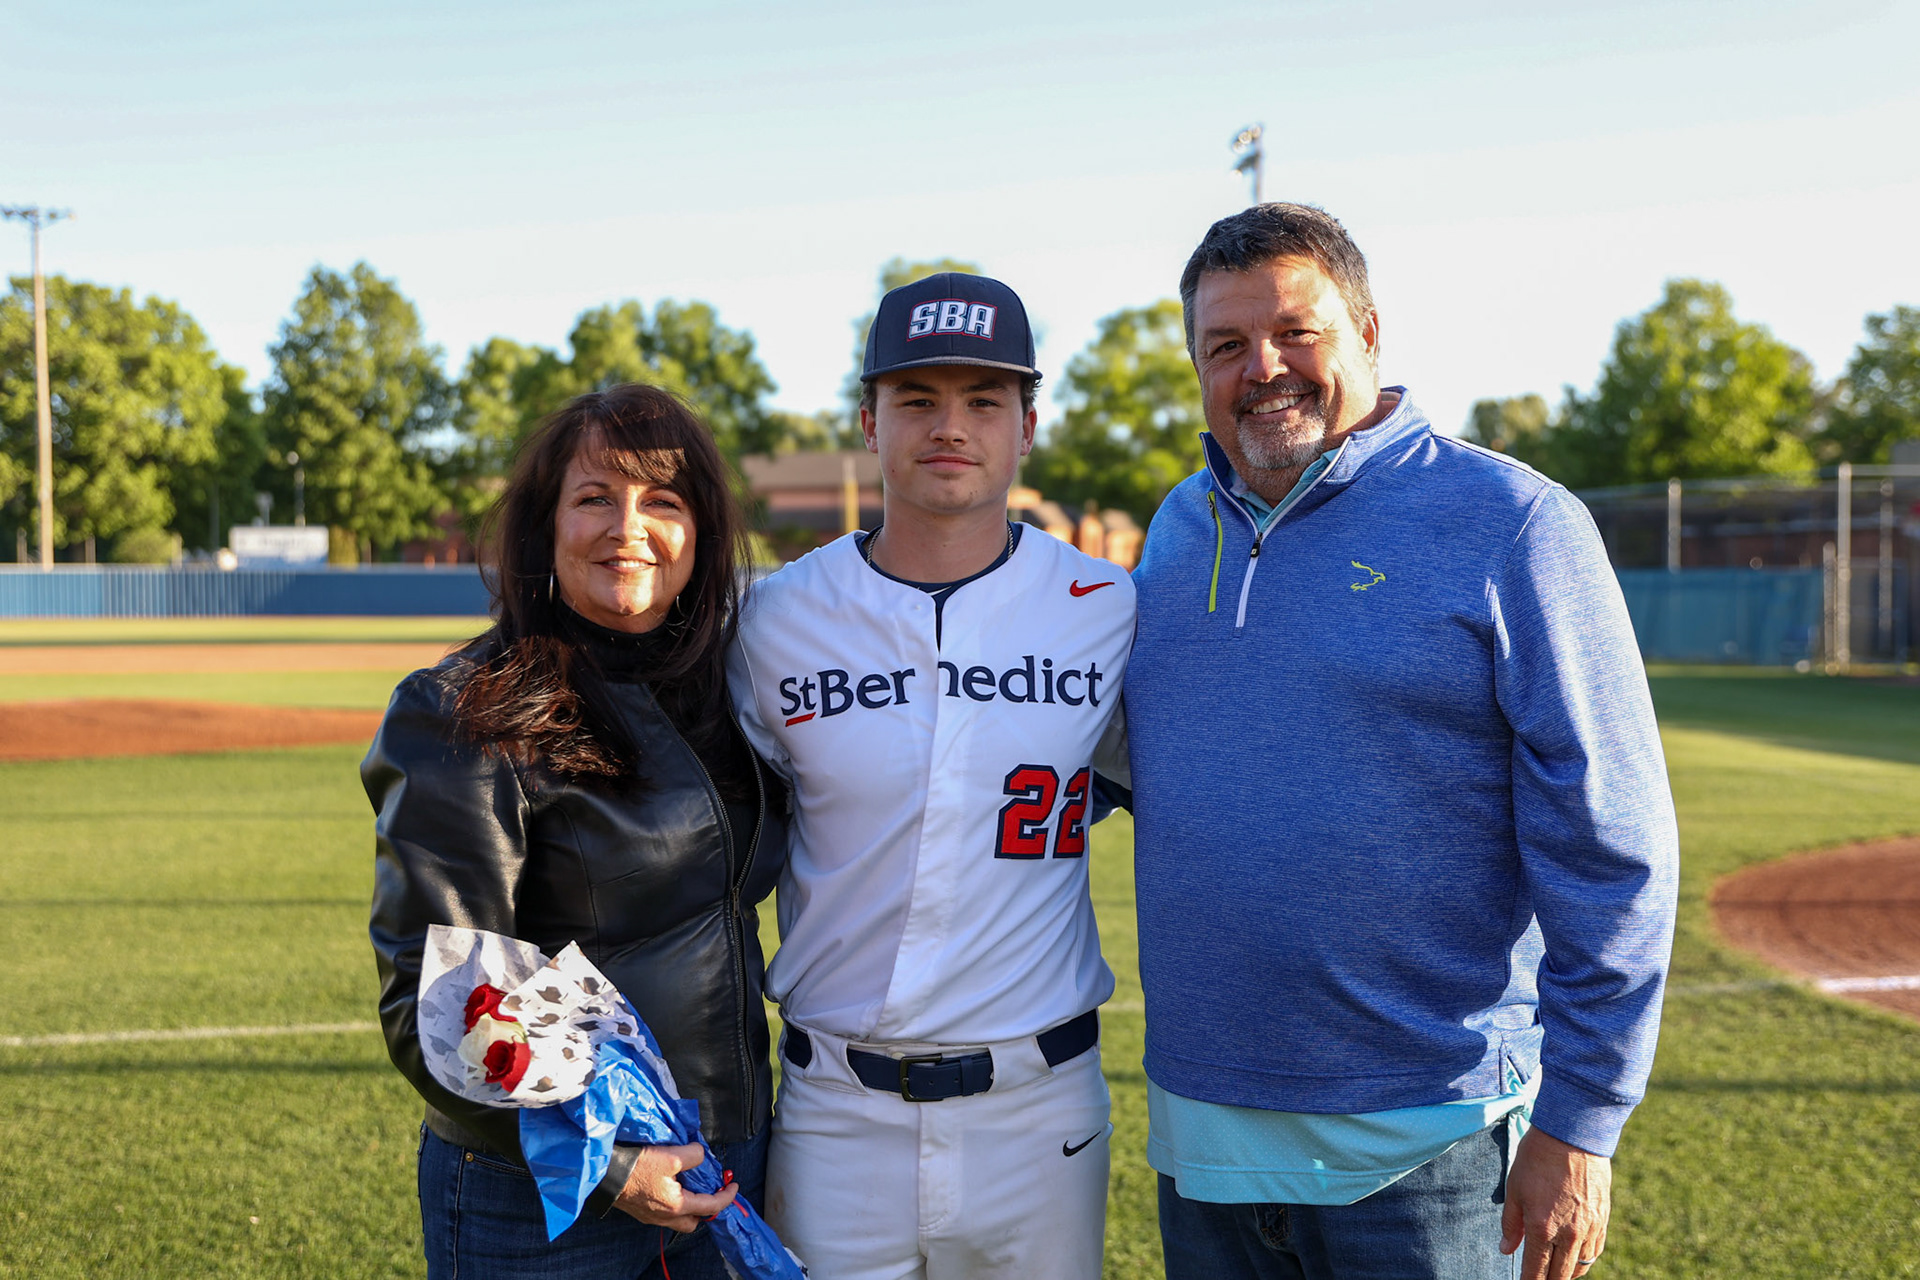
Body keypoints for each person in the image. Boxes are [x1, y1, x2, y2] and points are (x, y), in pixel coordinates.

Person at [1122, 204, 1680, 1280]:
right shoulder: (1178, 529)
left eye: (1296, 332)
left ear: (1370, 333)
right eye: (1226, 344)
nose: (1262, 368)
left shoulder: (1511, 521)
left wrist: (1583, 1118)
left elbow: (1613, 841)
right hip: (1205, 1143)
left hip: (1432, 1149)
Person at [727, 272, 1134, 1280]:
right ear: (869, 421)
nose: (950, 426)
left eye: (983, 400)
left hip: (1041, 1110)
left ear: (1027, 426)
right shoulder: (774, 619)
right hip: (834, 1112)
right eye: (917, 399)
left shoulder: (1109, 608)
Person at [364, 384, 787, 1280]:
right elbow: (432, 998)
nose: (628, 528)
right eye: (595, 497)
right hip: (544, 1197)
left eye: (662, 501)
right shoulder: (463, 710)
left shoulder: (730, 689)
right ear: (546, 527)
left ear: (701, 532)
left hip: (725, 1160)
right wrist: (612, 1162)